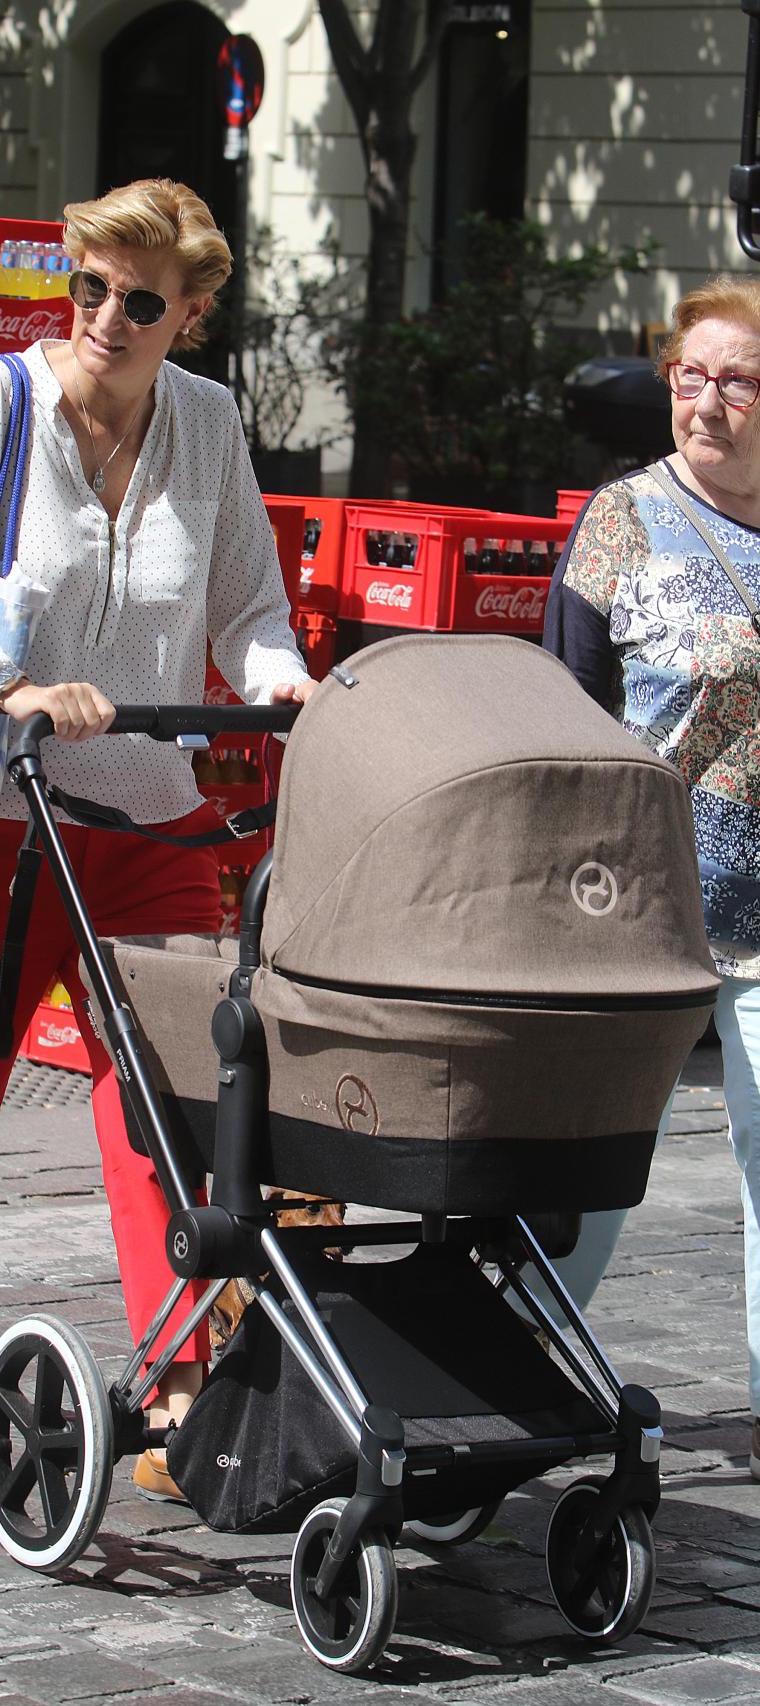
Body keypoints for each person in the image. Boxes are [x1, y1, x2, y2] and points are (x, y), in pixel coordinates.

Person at [0, 178, 316, 1502]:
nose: (106, 315)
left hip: (146, 816)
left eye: (142, 299)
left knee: (168, 1090)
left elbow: (249, 609)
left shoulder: (211, 425)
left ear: (197, 314)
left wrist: (284, 682)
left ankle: (172, 1372)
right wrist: (11, 685)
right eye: (89, 287)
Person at [542, 273, 760, 1477]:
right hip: (638, 905)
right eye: (691, 375)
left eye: (736, 379)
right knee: (593, 1167)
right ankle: (519, 1356)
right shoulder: (625, 519)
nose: (707, 401)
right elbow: (561, 705)